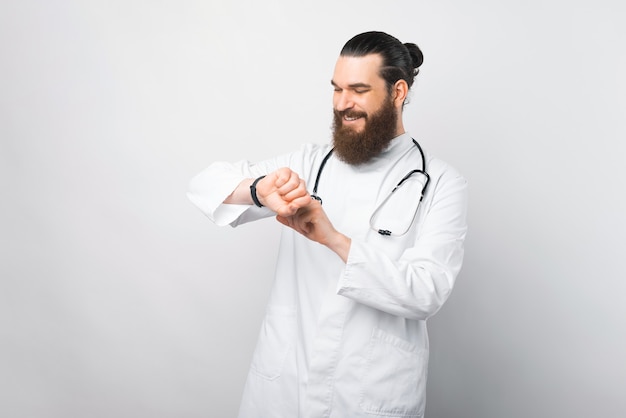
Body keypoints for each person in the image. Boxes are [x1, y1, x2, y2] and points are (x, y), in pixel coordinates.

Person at [188, 31, 468, 418]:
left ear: (398, 92)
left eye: (357, 90)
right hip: (286, 384)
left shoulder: (439, 182)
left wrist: (334, 239)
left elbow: (426, 292)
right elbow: (204, 185)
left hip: (369, 394)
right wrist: (258, 190)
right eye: (336, 89)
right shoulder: (309, 163)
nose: (342, 104)